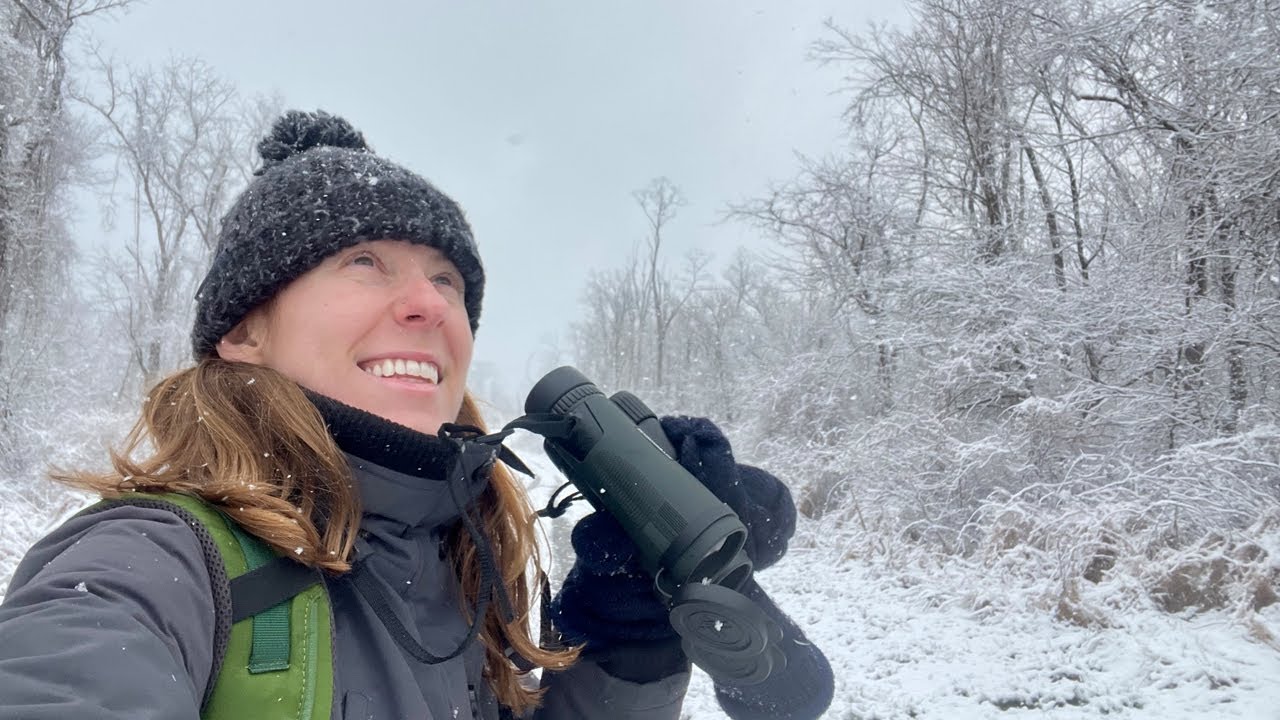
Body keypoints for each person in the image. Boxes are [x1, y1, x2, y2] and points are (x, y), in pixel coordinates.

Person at [0, 110, 832, 720]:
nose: (428, 306)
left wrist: (630, 631)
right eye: (365, 261)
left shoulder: (460, 563)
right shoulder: (149, 564)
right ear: (245, 329)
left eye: (448, 281)